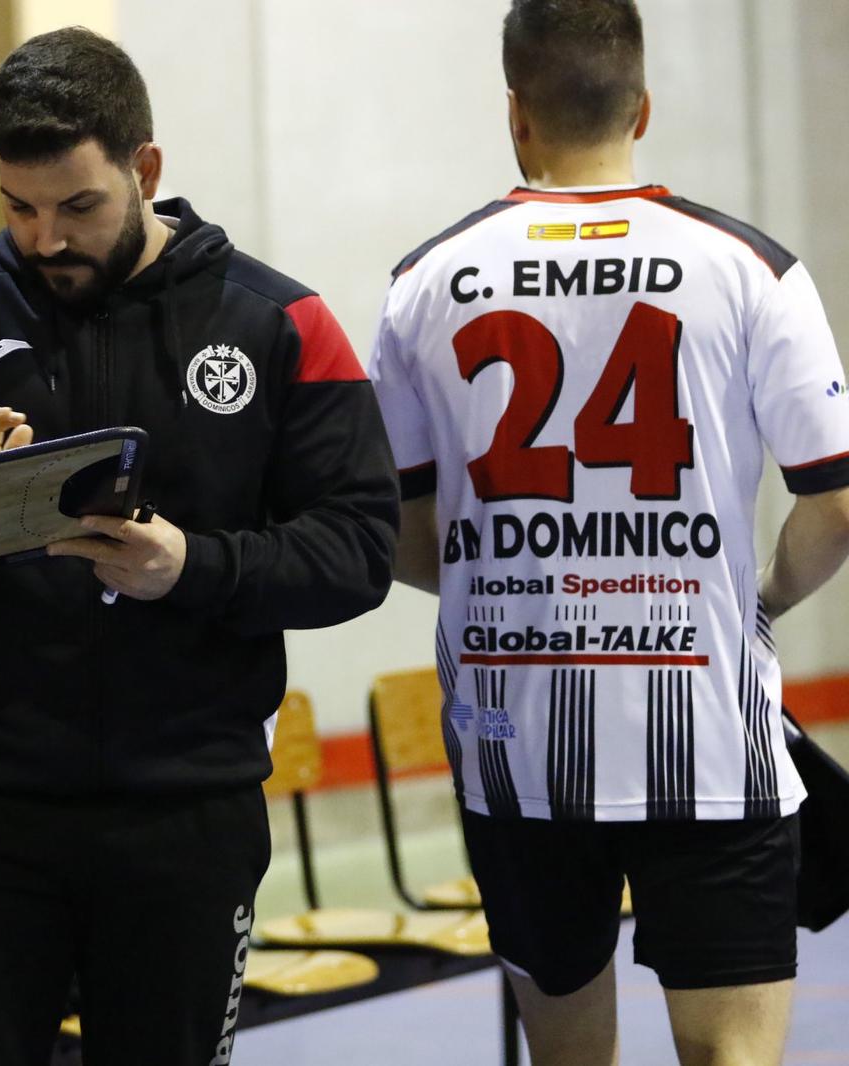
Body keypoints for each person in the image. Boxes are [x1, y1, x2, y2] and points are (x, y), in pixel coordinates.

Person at [0, 26, 398, 1066]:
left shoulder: (280, 320)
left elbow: (358, 546)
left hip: (185, 814)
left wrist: (191, 567)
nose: (45, 239)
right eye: (18, 207)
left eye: (78, 206)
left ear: (145, 169)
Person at [368, 2, 849, 1064]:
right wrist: (756, 598)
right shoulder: (750, 267)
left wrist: (506, 588)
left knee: (569, 1057)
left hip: (514, 741)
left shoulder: (420, 285)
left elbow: (402, 533)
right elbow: (838, 502)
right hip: (706, 737)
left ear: (514, 113)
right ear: (643, 105)